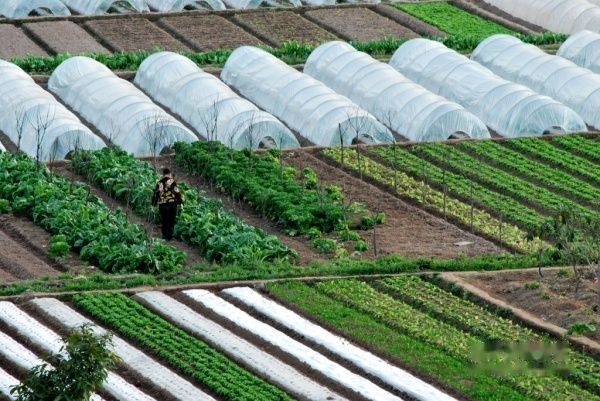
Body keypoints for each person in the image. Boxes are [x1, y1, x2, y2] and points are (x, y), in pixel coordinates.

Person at [152, 168, 184, 241]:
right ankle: (169, 236)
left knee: (164, 220)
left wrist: (153, 204)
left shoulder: (159, 183)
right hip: (172, 204)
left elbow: (156, 194)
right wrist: (180, 202)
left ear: (163, 174)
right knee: (171, 220)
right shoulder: (172, 181)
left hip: (163, 205)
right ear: (169, 174)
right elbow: (177, 192)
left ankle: (164, 235)